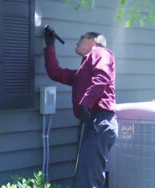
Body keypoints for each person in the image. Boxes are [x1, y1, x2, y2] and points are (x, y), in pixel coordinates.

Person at [44, 30, 118, 188]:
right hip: (90, 123)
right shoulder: (82, 72)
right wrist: (50, 45)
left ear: (93, 41)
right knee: (88, 176)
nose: (77, 41)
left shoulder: (101, 52)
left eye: (81, 38)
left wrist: (86, 103)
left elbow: (102, 76)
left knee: (88, 180)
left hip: (100, 121)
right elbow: (56, 73)